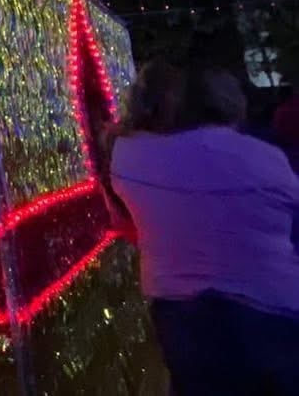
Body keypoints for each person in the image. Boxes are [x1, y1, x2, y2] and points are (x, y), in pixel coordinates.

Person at [110, 62, 299, 396]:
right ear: (234, 104)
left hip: (179, 317)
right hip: (272, 313)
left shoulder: (129, 157)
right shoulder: (266, 157)